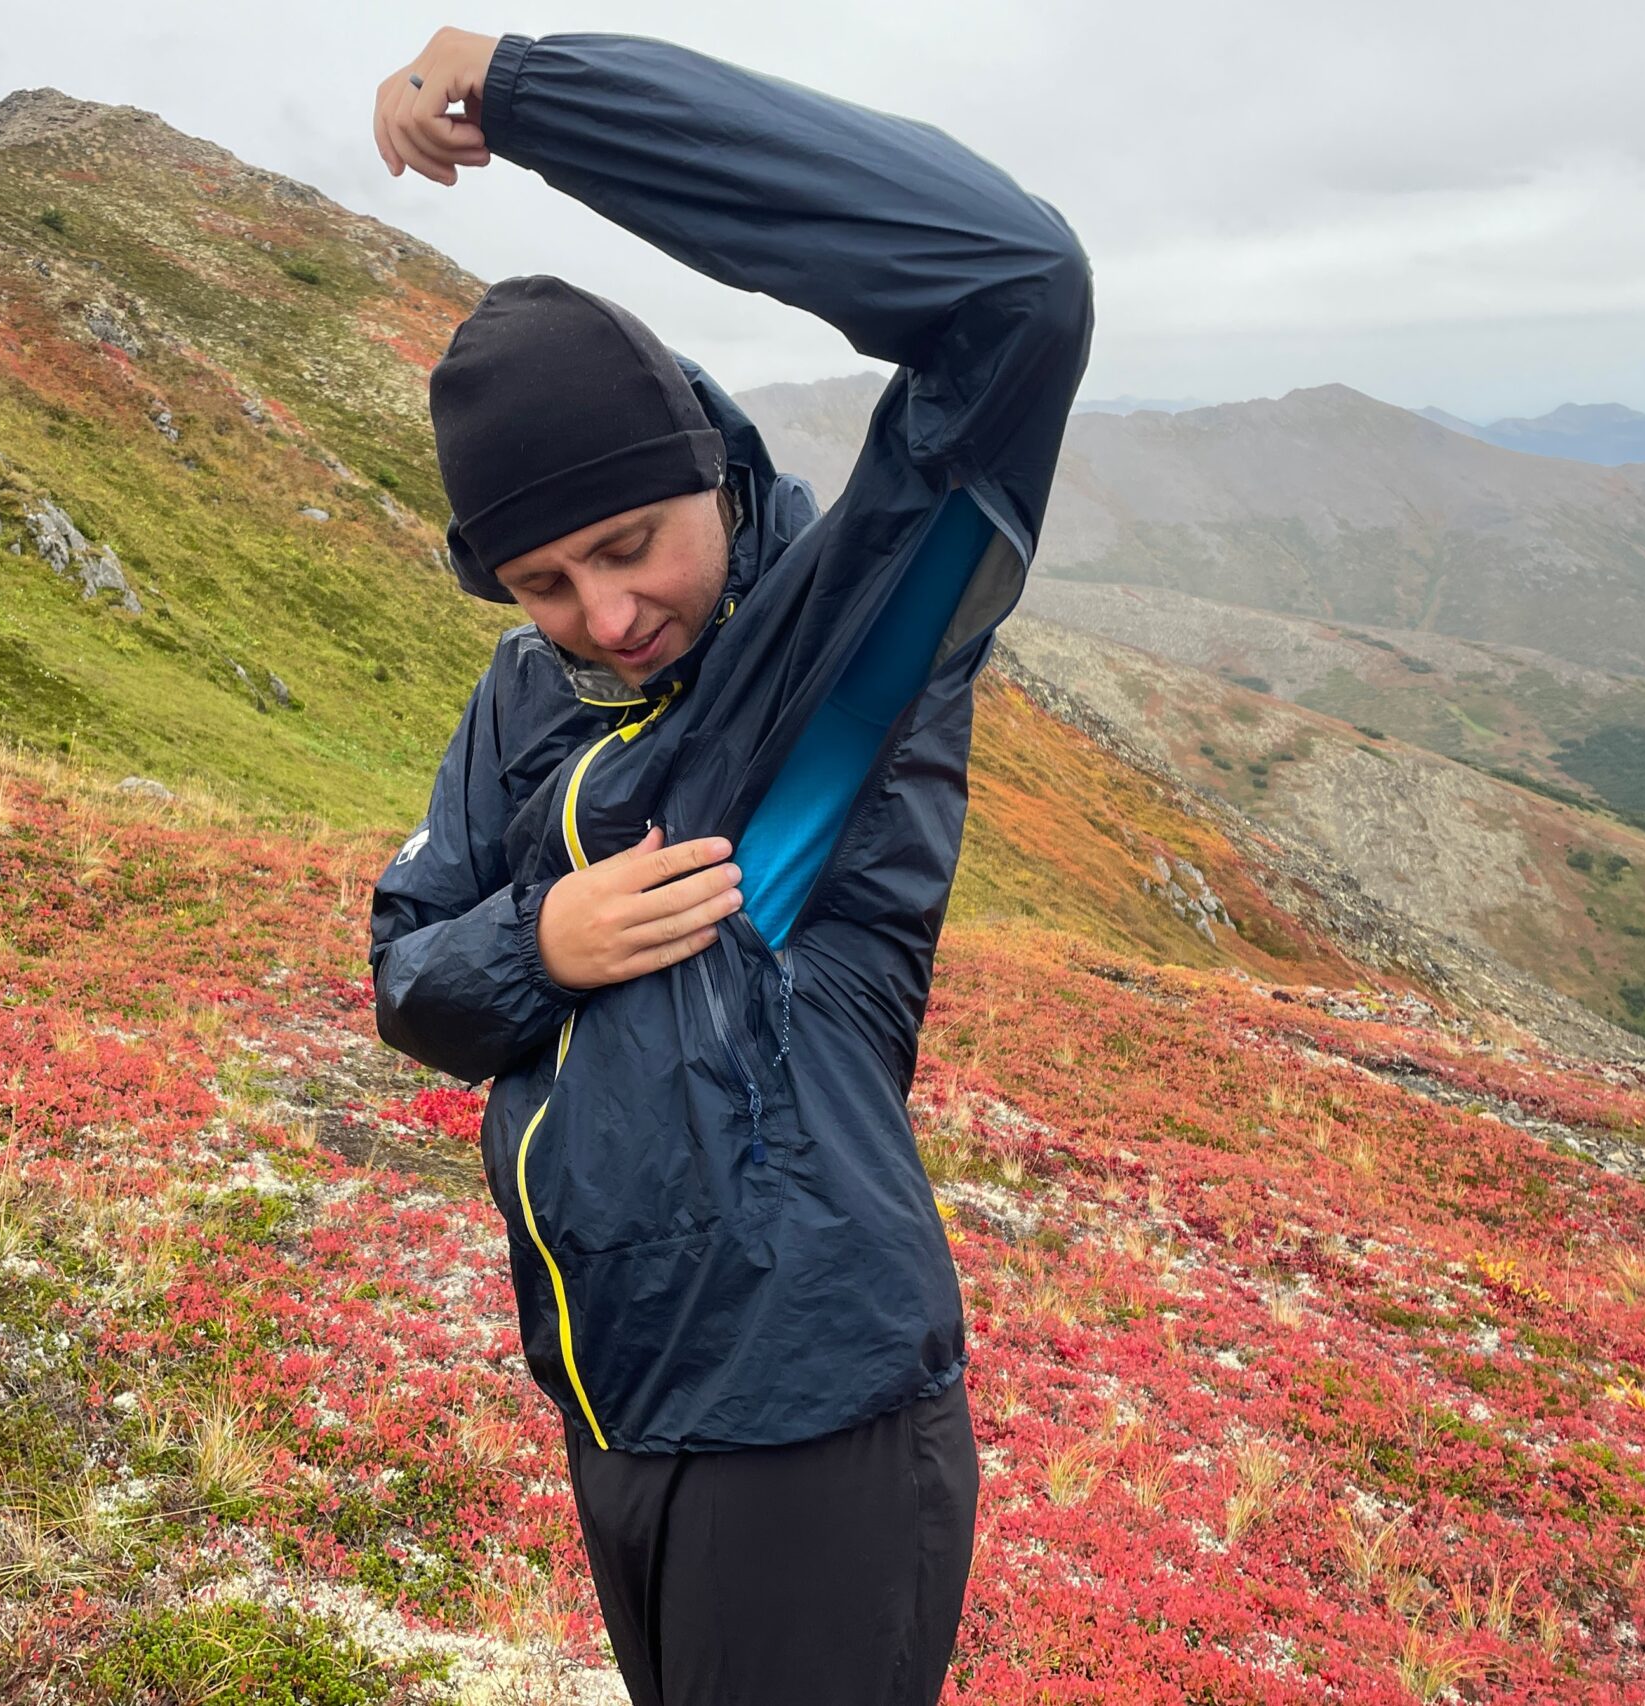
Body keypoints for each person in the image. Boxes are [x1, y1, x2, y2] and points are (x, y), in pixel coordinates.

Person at [366, 26, 1091, 1706]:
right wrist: (538, 941)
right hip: (615, 1406)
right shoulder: (528, 694)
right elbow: (412, 969)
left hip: (812, 1432)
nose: (604, 616)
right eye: (545, 580)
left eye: (630, 546)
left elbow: (1019, 288)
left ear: (707, 460)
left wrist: (536, 93)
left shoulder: (844, 646)